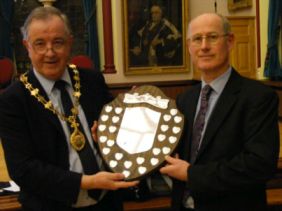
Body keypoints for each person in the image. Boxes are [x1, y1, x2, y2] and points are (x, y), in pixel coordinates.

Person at [0, 6, 138, 211]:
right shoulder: (13, 99)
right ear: (27, 46)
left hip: (107, 202)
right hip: (51, 205)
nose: (50, 52)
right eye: (39, 44)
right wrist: (86, 182)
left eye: (58, 42)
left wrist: (131, 112)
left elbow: (114, 130)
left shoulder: (92, 80)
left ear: (70, 43)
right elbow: (23, 169)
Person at [160, 13, 280, 211]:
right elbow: (172, 152)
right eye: (197, 39)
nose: (204, 46)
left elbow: (259, 165)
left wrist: (192, 174)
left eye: (212, 37)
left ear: (230, 41)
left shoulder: (258, 97)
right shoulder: (185, 100)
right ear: (189, 46)